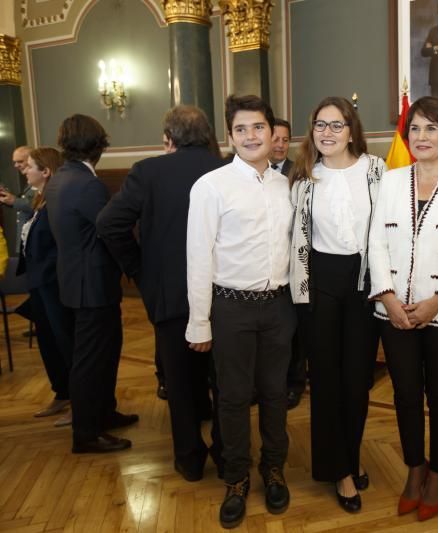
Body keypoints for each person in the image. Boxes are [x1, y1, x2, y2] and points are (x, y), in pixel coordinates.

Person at [96, 105, 225, 482]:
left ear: (169, 138)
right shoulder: (227, 170)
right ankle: (226, 449)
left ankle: (189, 459)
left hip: (169, 295)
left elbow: (109, 224)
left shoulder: (148, 171)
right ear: (208, 134)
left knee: (181, 383)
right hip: (224, 294)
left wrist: (138, 269)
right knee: (225, 380)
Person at [186, 95, 294, 528]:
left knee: (274, 394)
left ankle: (273, 469)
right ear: (229, 136)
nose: (251, 136)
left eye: (259, 128)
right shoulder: (211, 186)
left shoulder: (287, 186)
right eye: (241, 129)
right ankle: (235, 478)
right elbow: (199, 256)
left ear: (273, 134)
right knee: (231, 399)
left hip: (279, 307)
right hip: (230, 307)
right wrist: (200, 321)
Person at [368, 95, 438, 521]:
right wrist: (389, 298)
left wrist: (436, 302)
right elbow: (375, 241)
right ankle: (415, 469)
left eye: (431, 128)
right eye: (414, 128)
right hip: (393, 312)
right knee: (405, 393)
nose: (421, 136)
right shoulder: (391, 181)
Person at [289, 96, 385, 513]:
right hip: (320, 286)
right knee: (326, 381)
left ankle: (351, 453)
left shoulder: (377, 171)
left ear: (351, 130)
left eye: (336, 125)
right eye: (319, 125)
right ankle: (340, 471)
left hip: (364, 283)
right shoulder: (304, 179)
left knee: (358, 380)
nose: (327, 133)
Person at [46, 114, 138, 454]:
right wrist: (137, 267)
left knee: (104, 352)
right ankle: (86, 433)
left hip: (74, 282)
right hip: (92, 285)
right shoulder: (88, 184)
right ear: (97, 145)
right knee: (91, 361)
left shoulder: (60, 178)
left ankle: (104, 413)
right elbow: (112, 231)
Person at [18, 148, 74, 425]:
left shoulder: (55, 202)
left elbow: (60, 245)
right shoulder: (40, 200)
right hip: (38, 282)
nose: (24, 170)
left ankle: (79, 400)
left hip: (53, 283)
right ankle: (61, 392)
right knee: (48, 342)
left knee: (64, 341)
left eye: (29, 166)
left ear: (46, 171)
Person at [269, 118, 305, 410]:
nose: (280, 145)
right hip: (266, 269)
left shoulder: (299, 173)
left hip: (296, 265)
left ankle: (294, 384)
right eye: (276, 139)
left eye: (285, 140)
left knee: (294, 332)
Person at [1, 146, 37, 250]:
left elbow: (38, 203)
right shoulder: (30, 180)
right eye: (14, 162)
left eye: (20, 161)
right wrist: (8, 198)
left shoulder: (39, 179)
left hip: (33, 240)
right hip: (25, 239)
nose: (16, 165)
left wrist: (15, 201)